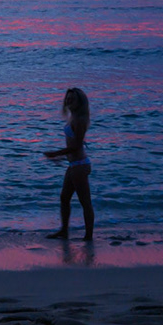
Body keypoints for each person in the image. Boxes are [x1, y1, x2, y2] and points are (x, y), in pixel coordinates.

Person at [43, 87, 94, 240]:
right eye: (67, 98)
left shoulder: (80, 120)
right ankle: (64, 231)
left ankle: (88, 236)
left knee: (85, 201)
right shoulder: (73, 118)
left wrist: (56, 153)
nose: (69, 101)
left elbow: (77, 146)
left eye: (72, 99)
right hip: (73, 165)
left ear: (80, 102)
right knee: (64, 198)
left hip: (80, 165)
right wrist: (62, 157)